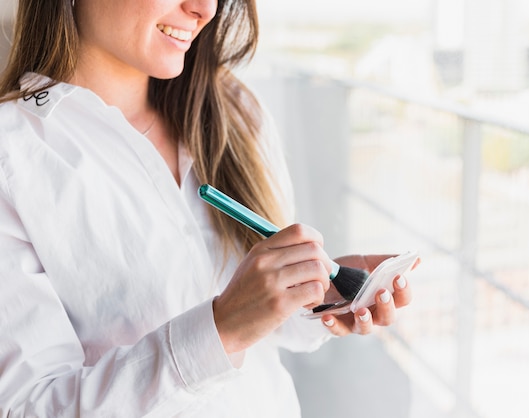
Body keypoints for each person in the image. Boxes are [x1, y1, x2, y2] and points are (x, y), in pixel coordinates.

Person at [0, 0, 417, 416]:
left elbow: (261, 336)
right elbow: (27, 408)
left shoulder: (236, 112)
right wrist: (222, 330)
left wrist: (310, 292)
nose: (203, 9)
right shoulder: (12, 157)